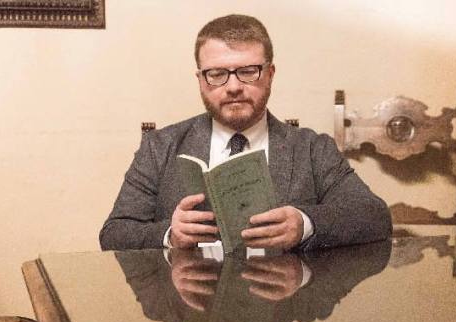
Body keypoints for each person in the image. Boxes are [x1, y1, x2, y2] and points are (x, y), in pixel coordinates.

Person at [99, 14, 392, 252]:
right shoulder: (159, 147)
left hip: (286, 302)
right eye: (217, 74)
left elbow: (374, 216)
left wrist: (304, 223)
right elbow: (114, 233)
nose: (233, 87)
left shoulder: (313, 149)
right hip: (191, 300)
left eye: (248, 71)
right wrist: (170, 235)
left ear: (270, 74)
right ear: (200, 80)